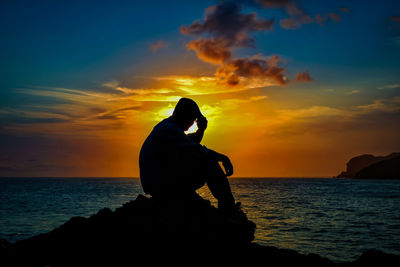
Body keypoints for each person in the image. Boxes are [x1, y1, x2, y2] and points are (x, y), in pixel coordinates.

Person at [139, 98, 242, 216]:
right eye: (192, 119)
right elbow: (198, 150)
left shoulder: (168, 126)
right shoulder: (170, 130)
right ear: (185, 116)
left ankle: (227, 206)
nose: (193, 123)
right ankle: (228, 207)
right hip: (161, 185)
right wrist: (224, 158)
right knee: (209, 162)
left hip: (158, 182)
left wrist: (201, 129)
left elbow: (190, 143)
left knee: (204, 158)